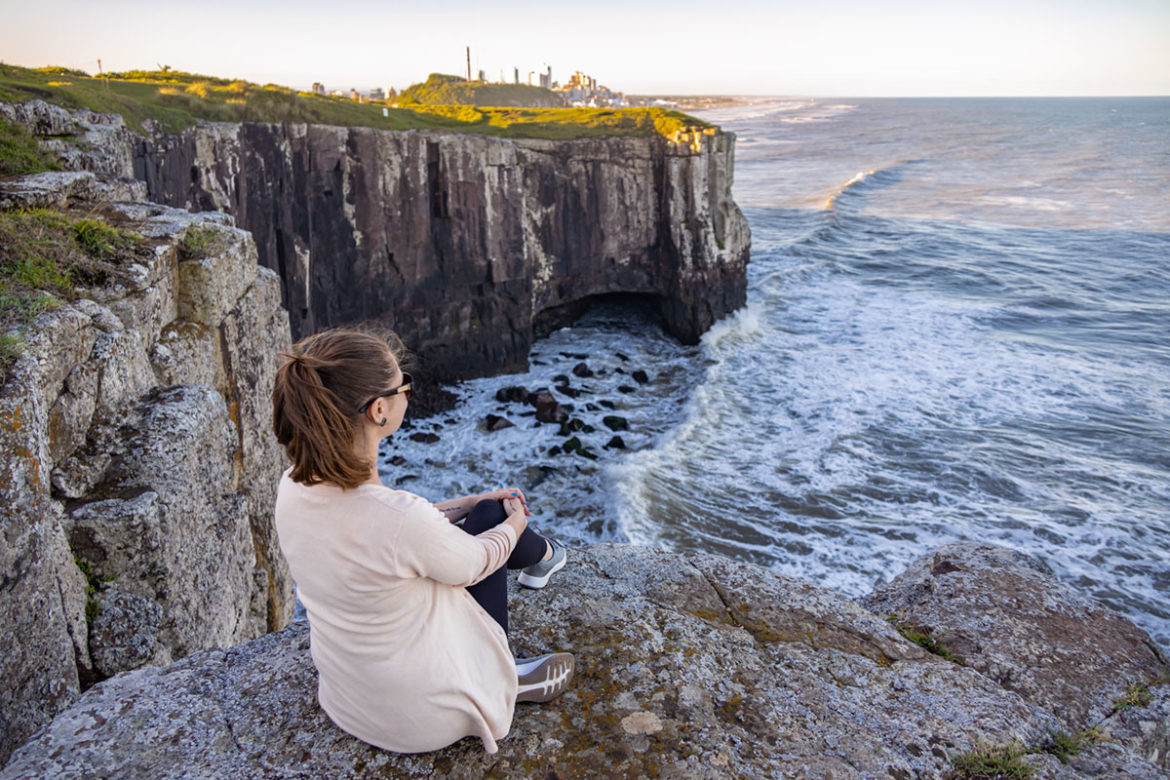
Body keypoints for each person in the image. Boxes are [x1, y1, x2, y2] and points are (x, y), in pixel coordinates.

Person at [271, 327, 573, 755]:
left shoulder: (291, 488)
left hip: (348, 699)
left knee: (481, 510)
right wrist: (516, 523)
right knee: (492, 519)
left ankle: (544, 555)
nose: (408, 395)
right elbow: (476, 560)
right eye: (403, 387)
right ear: (379, 410)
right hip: (422, 718)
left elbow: (391, 529)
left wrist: (467, 502)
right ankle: (509, 676)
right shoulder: (399, 519)